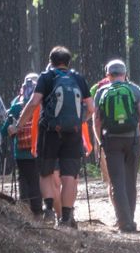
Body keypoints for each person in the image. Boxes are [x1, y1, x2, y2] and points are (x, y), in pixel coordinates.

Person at [22, 46, 96, 227]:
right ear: (68, 62)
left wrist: (19, 124)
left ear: (50, 61)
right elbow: (92, 108)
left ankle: (48, 210)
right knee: (69, 176)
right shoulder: (78, 78)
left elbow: (33, 102)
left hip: (49, 131)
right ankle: (66, 218)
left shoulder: (46, 77)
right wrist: (80, 120)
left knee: (46, 171)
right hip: (73, 133)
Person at [93, 59, 140, 233]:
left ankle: (124, 221)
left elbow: (96, 120)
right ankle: (129, 218)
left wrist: (100, 140)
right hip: (132, 139)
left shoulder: (102, 91)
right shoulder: (134, 89)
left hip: (111, 140)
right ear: (125, 74)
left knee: (117, 181)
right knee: (130, 180)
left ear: (108, 75)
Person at [4, 72, 42, 215]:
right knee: (36, 179)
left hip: (21, 151)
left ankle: (25, 209)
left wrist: (10, 129)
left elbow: (4, 130)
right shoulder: (42, 103)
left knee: (24, 178)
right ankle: (38, 210)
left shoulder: (16, 105)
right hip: (38, 149)